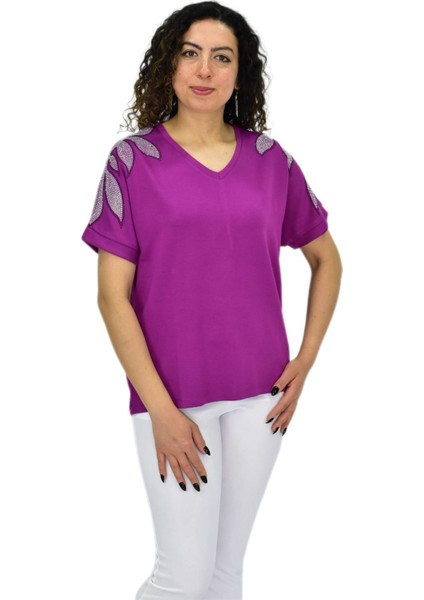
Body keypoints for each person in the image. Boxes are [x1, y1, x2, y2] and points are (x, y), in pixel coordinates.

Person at [81, 1, 342, 598]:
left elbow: (327, 259)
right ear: (168, 65)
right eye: (190, 53)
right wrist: (161, 412)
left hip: (263, 398)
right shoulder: (132, 162)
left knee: (225, 573)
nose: (204, 69)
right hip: (172, 395)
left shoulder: (271, 161)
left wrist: (305, 360)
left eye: (222, 57)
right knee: (183, 576)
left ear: (240, 73)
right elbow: (111, 298)